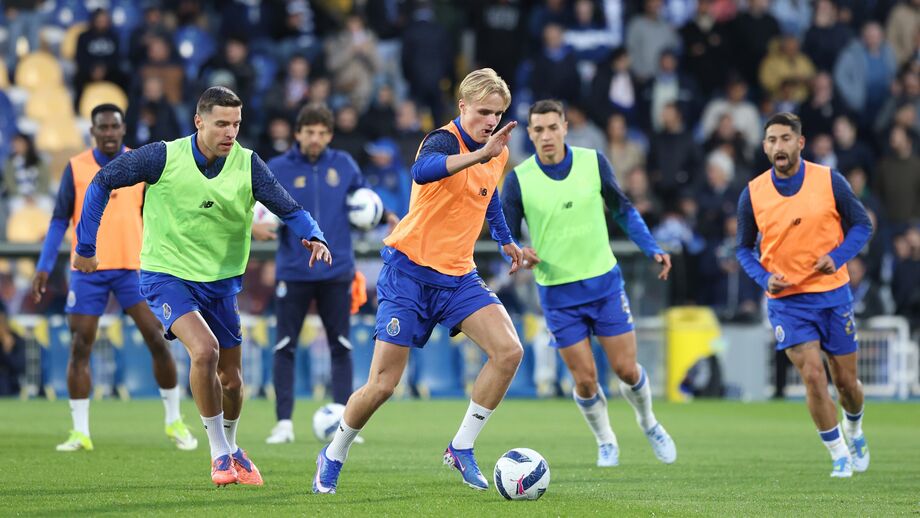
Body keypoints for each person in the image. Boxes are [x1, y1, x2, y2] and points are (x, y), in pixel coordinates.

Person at [73, 87, 331, 487]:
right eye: (222, 124)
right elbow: (103, 180)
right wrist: (86, 245)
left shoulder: (248, 164)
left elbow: (288, 207)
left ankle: (232, 447)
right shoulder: (162, 156)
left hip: (221, 283)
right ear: (199, 122)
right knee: (205, 350)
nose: (231, 132)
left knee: (232, 380)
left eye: (237, 124)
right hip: (167, 275)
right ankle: (218, 455)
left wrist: (314, 235)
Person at [312, 68, 525, 494]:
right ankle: (333, 453)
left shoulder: (494, 151)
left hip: (458, 276)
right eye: (483, 111)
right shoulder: (443, 140)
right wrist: (480, 154)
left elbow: (490, 194)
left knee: (509, 351)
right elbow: (423, 172)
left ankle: (461, 447)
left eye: (497, 114)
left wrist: (505, 239)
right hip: (407, 273)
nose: (490, 121)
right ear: (462, 106)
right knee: (383, 386)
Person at [501, 99, 676, 467]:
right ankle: (606, 440)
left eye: (553, 127)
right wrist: (518, 252)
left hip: (604, 285)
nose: (546, 136)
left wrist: (651, 247)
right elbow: (506, 234)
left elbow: (623, 208)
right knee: (585, 382)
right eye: (538, 130)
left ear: (565, 126)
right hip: (558, 293)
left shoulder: (593, 162)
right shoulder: (519, 179)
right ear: (529, 135)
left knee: (627, 370)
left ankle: (649, 422)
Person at [32, 104, 197, 453]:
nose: (108, 133)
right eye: (102, 127)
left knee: (157, 337)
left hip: (134, 268)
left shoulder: (139, 164)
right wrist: (44, 265)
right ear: (93, 131)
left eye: (114, 127)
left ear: (123, 130)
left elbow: (161, 213)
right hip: (88, 271)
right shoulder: (76, 168)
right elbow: (59, 219)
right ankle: (80, 432)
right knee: (80, 344)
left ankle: (174, 421)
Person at [736, 112, 873, 478]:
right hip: (788, 302)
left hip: (833, 295)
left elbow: (862, 225)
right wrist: (764, 279)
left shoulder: (830, 181)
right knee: (813, 376)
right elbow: (743, 249)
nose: (777, 146)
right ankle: (838, 453)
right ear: (764, 147)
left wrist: (838, 257)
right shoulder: (752, 193)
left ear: (800, 142)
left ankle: (854, 427)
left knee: (846, 383)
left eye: (784, 139)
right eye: (771, 140)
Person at [262, 103, 398, 445]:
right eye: (309, 132)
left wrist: (387, 217)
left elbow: (365, 202)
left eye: (322, 133)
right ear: (297, 134)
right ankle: (283, 424)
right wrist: (256, 225)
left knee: (341, 345)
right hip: (293, 270)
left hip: (336, 270)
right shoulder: (276, 168)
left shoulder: (344, 164)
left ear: (330, 135)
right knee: (284, 345)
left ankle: (344, 422)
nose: (315, 138)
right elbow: (261, 209)